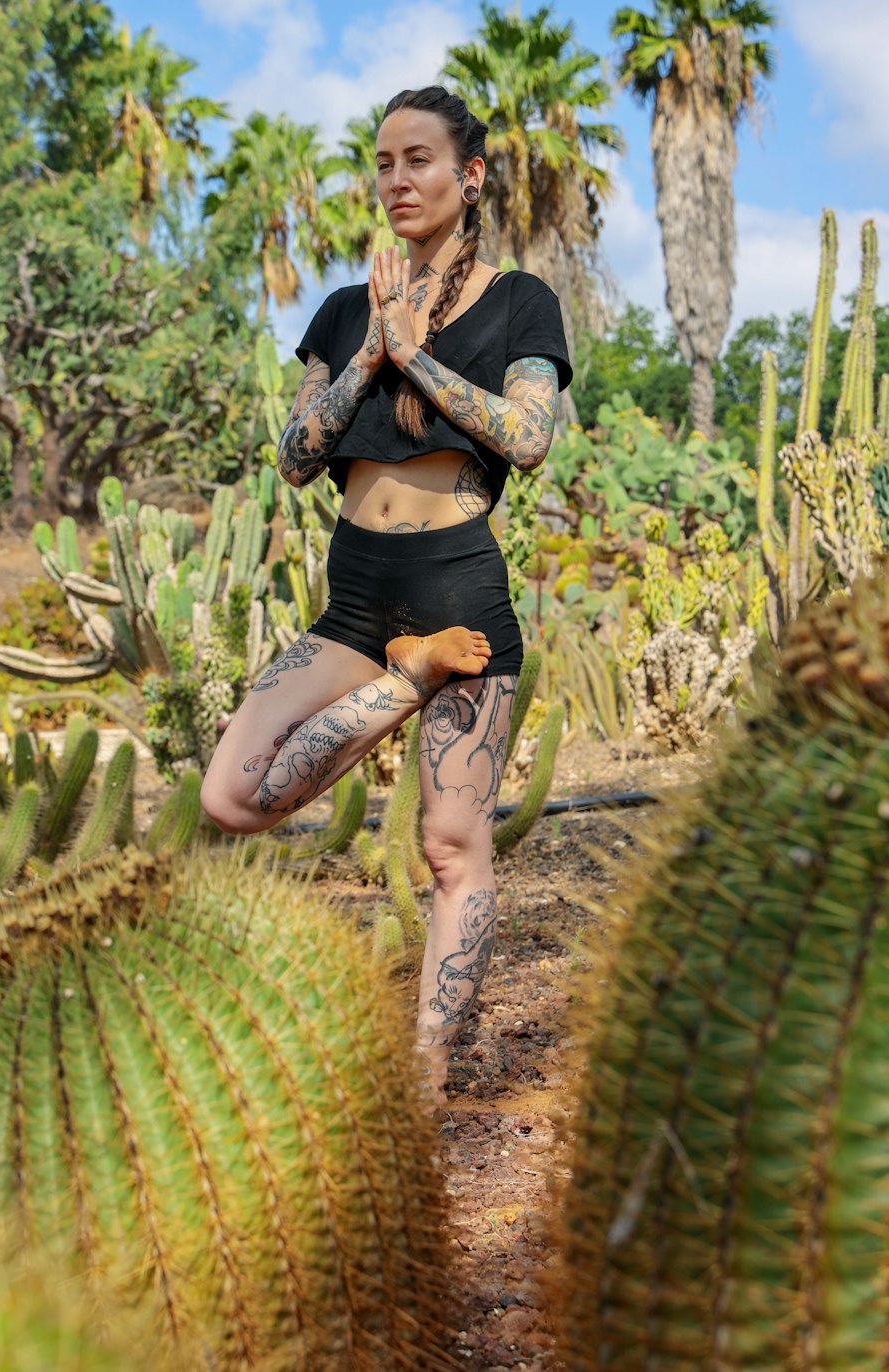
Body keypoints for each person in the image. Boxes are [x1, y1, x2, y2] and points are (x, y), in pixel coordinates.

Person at [200, 85, 572, 1106]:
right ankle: (409, 680)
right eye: (382, 162)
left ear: (470, 176)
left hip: (458, 587)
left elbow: (530, 438)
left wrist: (417, 355)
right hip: (358, 611)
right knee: (231, 794)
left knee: (451, 847)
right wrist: (370, 351)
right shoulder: (342, 308)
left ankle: (425, 1066)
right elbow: (294, 455)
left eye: (418, 159)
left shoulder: (521, 302)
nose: (397, 178)